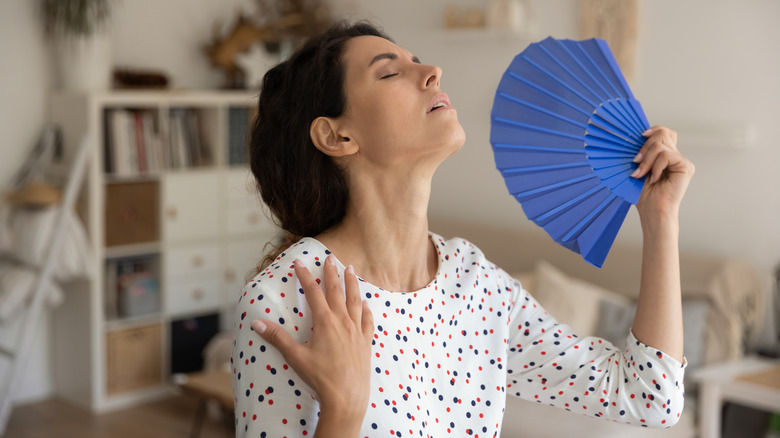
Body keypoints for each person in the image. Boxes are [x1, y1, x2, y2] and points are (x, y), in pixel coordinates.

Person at [231, 21, 695, 437]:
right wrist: (344, 411)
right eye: (390, 72)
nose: (432, 71)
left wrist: (660, 218)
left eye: (418, 61)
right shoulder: (285, 300)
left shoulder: (476, 284)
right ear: (337, 136)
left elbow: (650, 397)